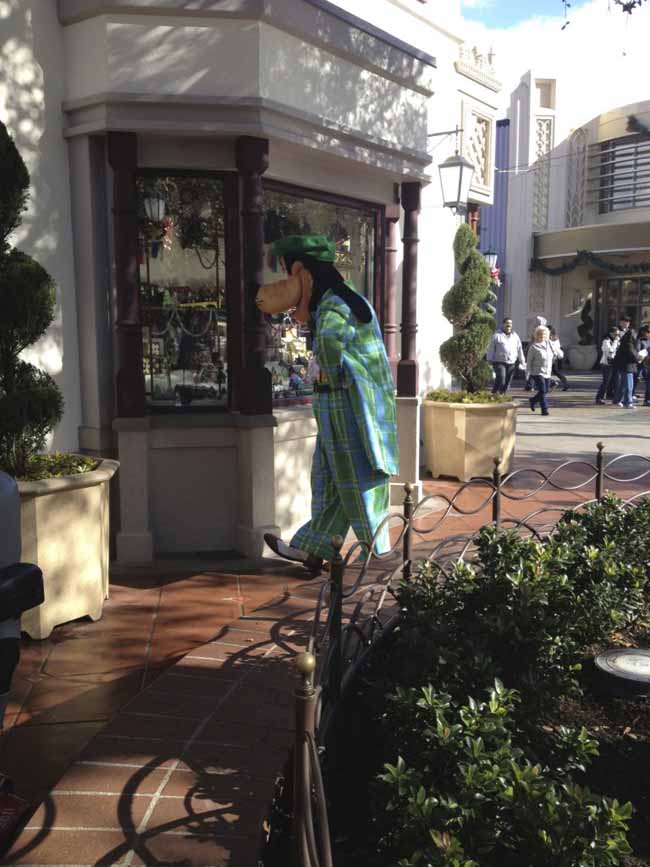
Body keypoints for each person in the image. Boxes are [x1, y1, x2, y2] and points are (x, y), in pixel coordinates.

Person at [257, 234, 398, 574]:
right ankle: (312, 549)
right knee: (334, 484)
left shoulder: (334, 305)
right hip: (350, 407)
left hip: (342, 407)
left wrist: (330, 377)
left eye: (291, 274)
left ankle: (379, 555)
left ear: (304, 273)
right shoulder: (352, 299)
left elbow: (332, 343)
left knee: (354, 480)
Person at [486, 317, 525, 394]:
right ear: (503, 324)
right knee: (501, 378)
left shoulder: (515, 336)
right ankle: (500, 394)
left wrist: (522, 360)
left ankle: (496, 393)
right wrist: (489, 359)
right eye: (507, 323)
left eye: (510, 323)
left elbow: (520, 348)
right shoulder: (497, 335)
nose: (509, 325)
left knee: (507, 381)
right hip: (499, 361)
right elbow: (491, 348)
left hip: (512, 362)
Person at [526, 324, 554, 416]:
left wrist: (560, 353)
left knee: (545, 391)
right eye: (540, 334)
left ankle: (533, 400)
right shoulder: (534, 347)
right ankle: (544, 409)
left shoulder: (549, 345)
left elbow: (554, 354)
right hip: (537, 372)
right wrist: (528, 373)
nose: (542, 336)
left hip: (547, 372)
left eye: (544, 334)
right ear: (536, 335)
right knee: (542, 391)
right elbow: (529, 360)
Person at [612, 323, 641, 409]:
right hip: (628, 366)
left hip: (625, 365)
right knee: (629, 385)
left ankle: (617, 400)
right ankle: (628, 402)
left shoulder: (625, 342)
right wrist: (639, 358)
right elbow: (632, 353)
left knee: (623, 384)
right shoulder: (629, 344)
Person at [610, 314, 633, 401]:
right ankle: (615, 395)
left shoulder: (630, 332)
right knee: (617, 378)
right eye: (624, 322)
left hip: (626, 358)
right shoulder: (616, 330)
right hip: (617, 357)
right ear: (620, 322)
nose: (626, 323)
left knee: (623, 380)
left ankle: (618, 398)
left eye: (627, 322)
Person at [596, 326, 619, 404]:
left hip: (615, 363)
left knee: (615, 381)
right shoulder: (606, 341)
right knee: (606, 381)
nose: (617, 336)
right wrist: (616, 342)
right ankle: (599, 398)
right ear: (611, 333)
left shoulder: (615, 341)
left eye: (618, 335)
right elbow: (610, 352)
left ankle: (613, 396)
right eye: (615, 334)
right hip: (607, 364)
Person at [548, 326, 569, 391]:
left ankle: (552, 383)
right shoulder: (556, 338)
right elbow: (558, 347)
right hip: (555, 358)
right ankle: (566, 384)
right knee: (556, 372)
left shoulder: (548, 339)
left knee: (546, 373)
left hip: (549, 358)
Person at [635, 325, 650, 403]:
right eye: (647, 332)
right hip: (641, 364)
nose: (649, 333)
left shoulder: (649, 340)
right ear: (643, 332)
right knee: (636, 379)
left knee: (648, 382)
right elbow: (638, 351)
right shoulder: (640, 340)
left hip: (648, 364)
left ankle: (647, 399)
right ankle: (631, 395)